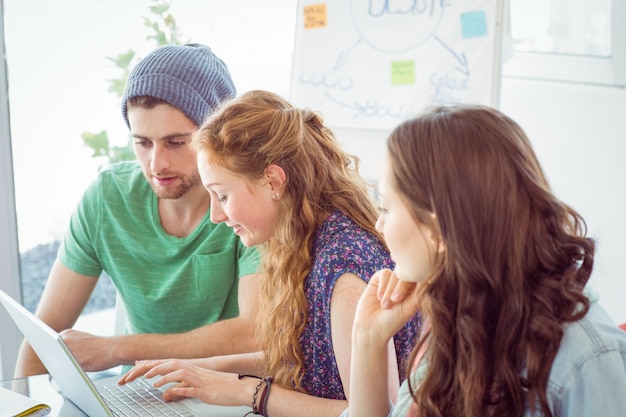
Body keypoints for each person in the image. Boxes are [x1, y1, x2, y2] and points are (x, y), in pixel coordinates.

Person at [119, 90, 421, 416]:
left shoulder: (343, 269)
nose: (215, 216)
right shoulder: (299, 240)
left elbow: (375, 411)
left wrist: (246, 391)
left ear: (273, 182)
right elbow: (307, 359)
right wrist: (203, 369)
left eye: (221, 195)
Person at [342, 104, 626, 417]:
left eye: (385, 208)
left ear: (438, 229)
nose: (379, 226)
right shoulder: (463, 306)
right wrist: (368, 341)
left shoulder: (585, 357)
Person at [15, 43, 261, 377]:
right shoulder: (106, 199)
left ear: (217, 137)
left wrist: (116, 349)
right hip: (140, 396)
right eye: (142, 143)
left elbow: (256, 332)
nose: (156, 164)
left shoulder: (249, 200)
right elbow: (44, 337)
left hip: (233, 397)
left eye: (176, 142)